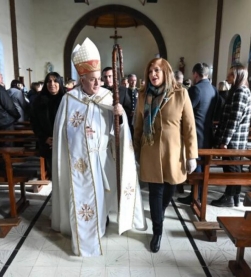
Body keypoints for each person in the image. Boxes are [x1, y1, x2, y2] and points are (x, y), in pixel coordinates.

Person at [52, 38, 146, 257]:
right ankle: (83, 233)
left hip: (103, 159)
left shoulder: (107, 97)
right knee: (82, 196)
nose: (98, 84)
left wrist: (119, 116)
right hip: (78, 162)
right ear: (81, 80)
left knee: (102, 196)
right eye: (92, 80)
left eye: (99, 79)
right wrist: (79, 136)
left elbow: (120, 132)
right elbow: (62, 133)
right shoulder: (69, 99)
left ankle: (101, 225)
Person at [134, 57, 197, 253]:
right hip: (150, 150)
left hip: (173, 152)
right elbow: (137, 125)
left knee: (170, 190)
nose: (153, 74)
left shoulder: (180, 94)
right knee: (155, 192)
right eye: (151, 71)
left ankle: (158, 215)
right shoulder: (143, 95)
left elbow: (189, 127)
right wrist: (135, 151)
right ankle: (157, 232)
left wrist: (192, 155)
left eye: (157, 71)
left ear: (166, 72)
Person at [210, 64, 251, 207]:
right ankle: (234, 196)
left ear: (237, 76)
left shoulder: (240, 92)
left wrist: (224, 141)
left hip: (234, 140)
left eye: (230, 75)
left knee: (231, 169)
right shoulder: (239, 91)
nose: (227, 77)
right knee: (235, 168)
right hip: (236, 139)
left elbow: (234, 119)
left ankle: (229, 197)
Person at [177, 62, 217, 205]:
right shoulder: (213, 89)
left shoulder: (196, 90)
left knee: (197, 166)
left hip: (197, 133)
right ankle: (198, 194)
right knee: (203, 166)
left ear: (195, 74)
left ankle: (195, 196)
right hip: (208, 132)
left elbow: (186, 110)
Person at [30, 72, 65, 179]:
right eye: (49, 81)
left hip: (64, 142)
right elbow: (34, 123)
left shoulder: (67, 99)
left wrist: (60, 138)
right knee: (53, 173)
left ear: (60, 83)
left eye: (55, 81)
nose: (52, 84)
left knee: (65, 174)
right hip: (47, 142)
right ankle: (55, 194)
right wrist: (45, 138)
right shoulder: (38, 100)